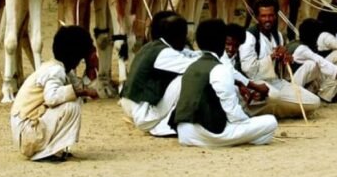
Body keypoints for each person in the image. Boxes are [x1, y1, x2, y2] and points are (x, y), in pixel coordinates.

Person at [172, 19, 278, 147]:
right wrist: (247, 124)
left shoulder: (191, 66)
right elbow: (234, 114)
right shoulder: (220, 69)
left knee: (262, 135)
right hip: (209, 133)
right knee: (270, 122)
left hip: (184, 134)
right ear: (221, 42)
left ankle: (248, 138)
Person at [10, 25, 99, 161]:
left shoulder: (61, 69)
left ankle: (53, 150)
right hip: (28, 133)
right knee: (71, 107)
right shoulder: (55, 70)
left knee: (75, 101)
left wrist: (90, 68)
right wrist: (81, 91)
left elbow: (82, 91)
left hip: (29, 131)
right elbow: (51, 98)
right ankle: (44, 153)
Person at [239, 0, 321, 118]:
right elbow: (249, 70)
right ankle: (261, 110)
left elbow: (280, 70)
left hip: (275, 82)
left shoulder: (278, 35)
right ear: (257, 17)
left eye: (271, 16)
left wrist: (285, 59)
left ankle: (275, 110)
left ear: (276, 16)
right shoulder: (249, 37)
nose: (268, 20)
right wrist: (272, 57)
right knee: (274, 96)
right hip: (255, 83)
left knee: (314, 101)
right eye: (264, 16)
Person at [120, 11, 198, 136]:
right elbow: (197, 66)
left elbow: (190, 55)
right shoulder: (164, 53)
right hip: (143, 113)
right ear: (175, 35)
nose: (185, 39)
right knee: (189, 77)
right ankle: (165, 125)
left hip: (132, 105)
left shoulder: (152, 46)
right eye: (183, 35)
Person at [289, 18, 337, 102]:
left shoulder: (297, 44)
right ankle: (301, 95)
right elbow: (323, 63)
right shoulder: (302, 49)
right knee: (314, 63)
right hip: (294, 88)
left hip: (305, 84)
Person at [223, 23, 270, 108]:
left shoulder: (236, 57)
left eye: (235, 46)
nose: (231, 49)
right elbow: (230, 73)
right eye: (227, 44)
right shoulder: (219, 55)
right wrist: (255, 87)